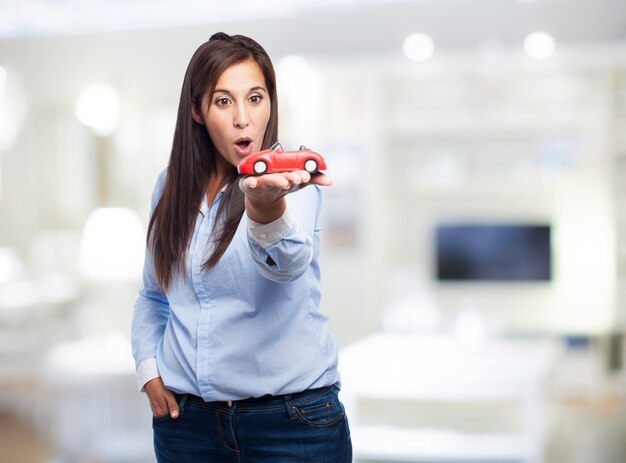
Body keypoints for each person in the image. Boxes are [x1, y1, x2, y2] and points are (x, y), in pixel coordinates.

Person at [131, 32, 352, 462]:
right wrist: (148, 371)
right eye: (223, 101)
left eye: (255, 98)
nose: (243, 119)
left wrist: (264, 209)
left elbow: (286, 266)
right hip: (188, 427)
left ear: (271, 102)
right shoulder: (170, 187)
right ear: (197, 110)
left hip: (292, 425)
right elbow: (153, 295)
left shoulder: (292, 184)